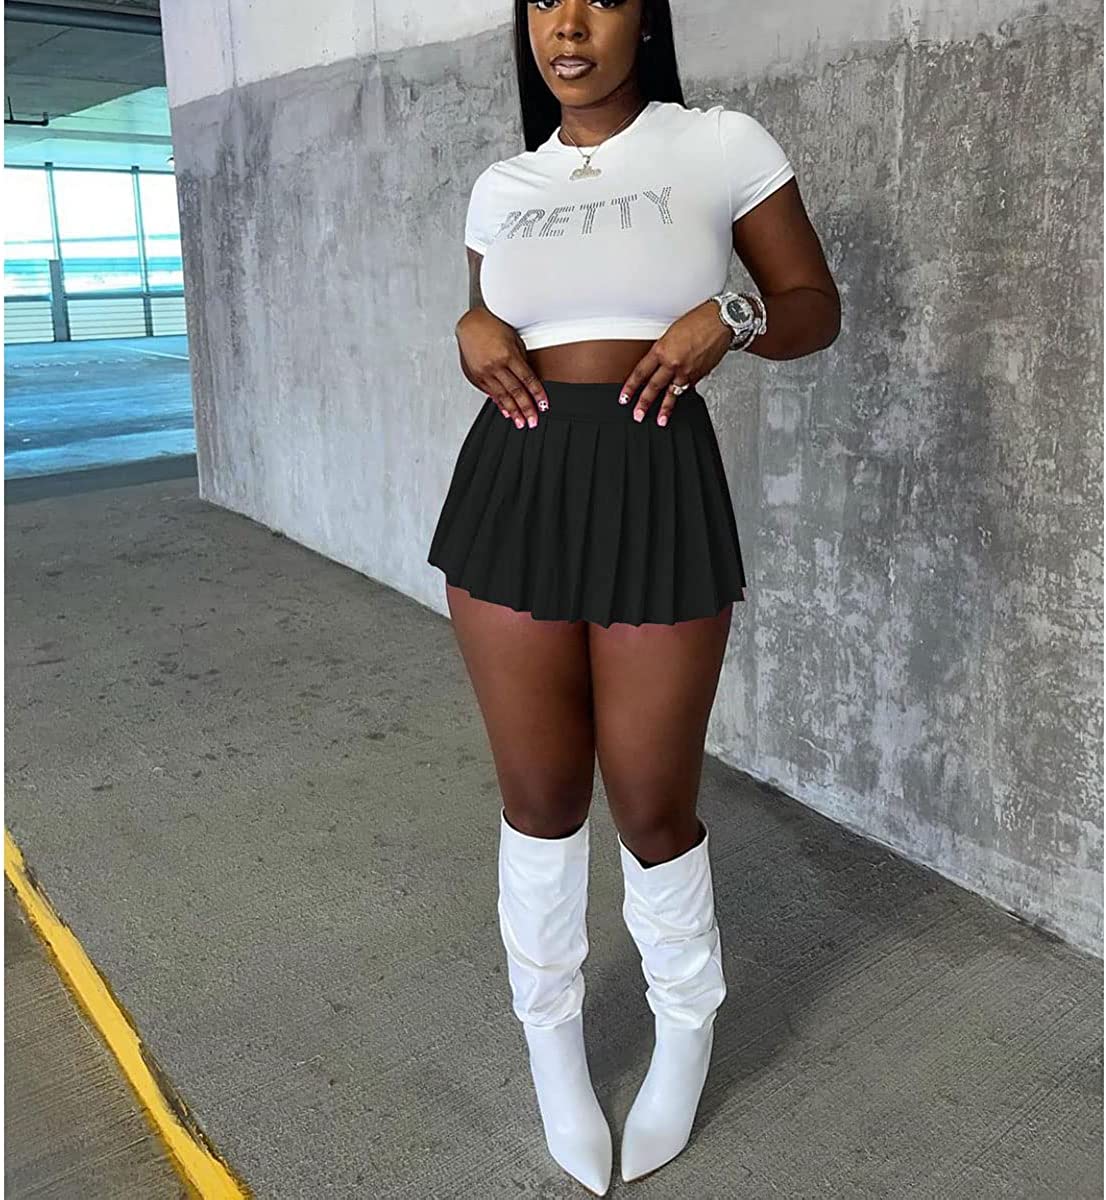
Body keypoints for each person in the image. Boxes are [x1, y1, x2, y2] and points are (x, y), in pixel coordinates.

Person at [427, 1, 840, 1193]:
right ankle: (551, 1043)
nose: (566, 23)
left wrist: (734, 315)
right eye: (542, 0)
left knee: (652, 803)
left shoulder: (718, 144)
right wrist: (469, 324)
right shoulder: (502, 184)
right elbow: (496, 320)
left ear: (644, 19)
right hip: (514, 484)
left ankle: (686, 1022)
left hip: (655, 477)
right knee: (539, 798)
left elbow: (811, 307)